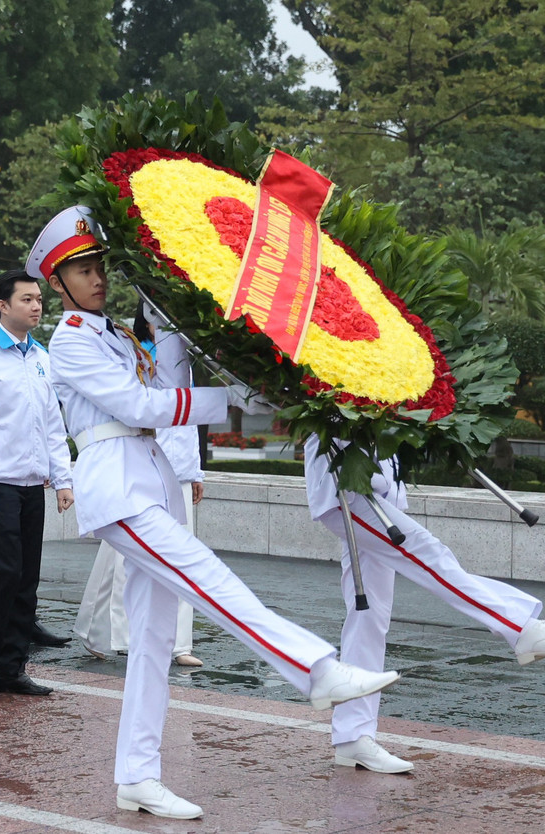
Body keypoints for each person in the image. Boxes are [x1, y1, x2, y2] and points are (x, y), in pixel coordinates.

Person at [36, 205, 399, 818]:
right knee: (208, 578)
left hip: (150, 481)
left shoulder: (119, 335)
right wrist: (221, 401)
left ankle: (137, 776)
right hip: (117, 487)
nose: (97, 277)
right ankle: (313, 669)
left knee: (152, 642)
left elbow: (163, 383)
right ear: (57, 282)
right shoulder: (69, 339)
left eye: (101, 264)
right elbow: (136, 404)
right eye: (82, 268)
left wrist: (175, 326)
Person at [304, 436, 545, 774]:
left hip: (378, 488)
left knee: (368, 617)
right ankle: (520, 628)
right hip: (348, 490)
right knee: (430, 555)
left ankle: (353, 738)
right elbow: (257, 396)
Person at [0, 270, 74, 701]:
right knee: (4, 572)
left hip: (31, 485)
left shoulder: (41, 356)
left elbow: (53, 424)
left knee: (26, 578)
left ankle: (12, 667)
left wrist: (62, 479)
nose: (37, 306)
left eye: (39, 299)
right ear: (1, 305)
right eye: (27, 299)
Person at [75, 306, 204, 667]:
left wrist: (194, 472)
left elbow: (188, 421)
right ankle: (118, 634)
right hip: (139, 467)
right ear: (148, 319)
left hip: (175, 471)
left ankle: (178, 643)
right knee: (122, 559)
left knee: (180, 557)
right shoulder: (135, 355)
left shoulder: (182, 362)